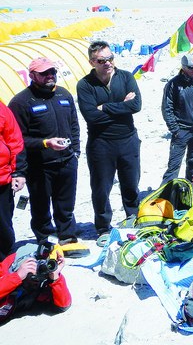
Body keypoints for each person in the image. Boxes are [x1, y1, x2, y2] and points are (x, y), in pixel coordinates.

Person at [8, 57, 81, 245]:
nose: (50, 76)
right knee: (41, 206)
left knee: (66, 204)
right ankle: (45, 239)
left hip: (66, 160)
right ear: (32, 75)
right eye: (44, 73)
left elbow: (74, 124)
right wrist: (45, 143)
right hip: (39, 165)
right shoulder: (21, 102)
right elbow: (16, 139)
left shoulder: (64, 95)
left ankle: (67, 236)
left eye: (52, 72)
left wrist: (76, 151)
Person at [76, 41, 142, 241]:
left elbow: (136, 105)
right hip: (101, 143)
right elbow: (91, 116)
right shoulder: (85, 85)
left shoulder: (126, 77)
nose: (108, 63)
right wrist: (122, 105)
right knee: (101, 188)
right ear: (92, 62)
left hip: (128, 139)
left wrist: (104, 107)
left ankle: (133, 217)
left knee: (131, 183)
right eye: (102, 60)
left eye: (110, 58)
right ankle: (103, 227)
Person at [160, 54, 193, 183]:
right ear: (183, 67)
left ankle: (191, 189)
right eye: (190, 68)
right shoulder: (173, 85)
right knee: (174, 165)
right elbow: (167, 108)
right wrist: (175, 130)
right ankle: (166, 193)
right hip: (181, 131)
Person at [0, 246, 71, 322]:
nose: (36, 274)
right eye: (31, 266)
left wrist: (55, 278)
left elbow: (63, 305)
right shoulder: (5, 273)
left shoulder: (39, 286)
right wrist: (17, 276)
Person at [0, 102, 24, 261]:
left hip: (2, 179)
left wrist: (18, 172)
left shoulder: (1, 109)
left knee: (3, 226)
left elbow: (14, 140)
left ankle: (6, 262)